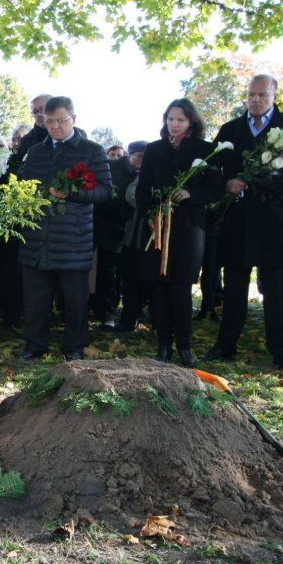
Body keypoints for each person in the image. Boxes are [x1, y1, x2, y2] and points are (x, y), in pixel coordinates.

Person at [204, 74, 283, 373]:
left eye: (262, 95)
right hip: (238, 220)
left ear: (274, 95)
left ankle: (281, 351)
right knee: (234, 289)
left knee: (276, 290)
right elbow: (212, 169)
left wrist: (278, 183)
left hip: (272, 222)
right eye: (252, 94)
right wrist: (226, 183)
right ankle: (225, 344)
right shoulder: (231, 129)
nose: (256, 100)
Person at [17, 96, 112, 361]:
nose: (56, 126)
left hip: (73, 238)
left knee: (75, 300)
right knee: (35, 298)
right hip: (36, 238)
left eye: (61, 120)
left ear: (73, 118)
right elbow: (24, 186)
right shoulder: (35, 152)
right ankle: (35, 346)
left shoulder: (92, 151)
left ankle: (74, 347)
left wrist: (72, 193)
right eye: (50, 121)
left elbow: (105, 191)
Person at [135, 99, 223, 367]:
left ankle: (184, 346)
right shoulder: (154, 149)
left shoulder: (206, 150)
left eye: (180, 120)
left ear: (191, 123)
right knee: (159, 288)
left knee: (181, 288)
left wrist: (191, 193)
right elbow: (143, 188)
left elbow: (215, 189)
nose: (174, 124)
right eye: (170, 119)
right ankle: (163, 345)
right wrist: (150, 214)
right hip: (159, 227)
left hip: (189, 226)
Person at [92, 140, 141, 328]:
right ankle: (106, 314)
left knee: (127, 275)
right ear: (131, 154)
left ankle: (129, 315)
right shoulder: (110, 167)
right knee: (107, 274)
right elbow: (100, 193)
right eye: (140, 157)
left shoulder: (143, 174)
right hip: (106, 229)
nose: (142, 162)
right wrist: (116, 211)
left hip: (131, 232)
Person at [115, 141, 151, 332]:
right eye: (139, 156)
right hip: (132, 239)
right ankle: (128, 320)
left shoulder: (152, 173)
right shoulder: (137, 177)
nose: (142, 161)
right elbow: (133, 196)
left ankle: (145, 320)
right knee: (129, 281)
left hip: (151, 240)